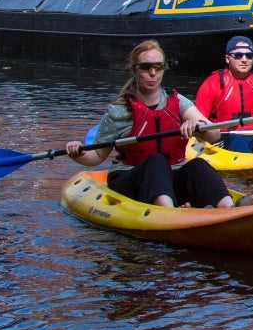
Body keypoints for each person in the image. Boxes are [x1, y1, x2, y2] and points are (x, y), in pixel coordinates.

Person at [64, 40, 241, 208]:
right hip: (130, 178)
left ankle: (228, 207)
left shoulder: (177, 101)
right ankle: (168, 212)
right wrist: (77, 153)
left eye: (158, 66)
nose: (153, 73)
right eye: (145, 67)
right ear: (134, 70)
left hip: (172, 177)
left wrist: (198, 126)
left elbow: (215, 135)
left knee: (198, 165)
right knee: (157, 161)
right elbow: (96, 156)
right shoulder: (120, 110)